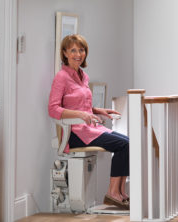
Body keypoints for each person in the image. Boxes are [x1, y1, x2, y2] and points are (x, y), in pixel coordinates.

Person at [48, 34, 130, 210]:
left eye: (82, 49)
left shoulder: (83, 76)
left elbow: (82, 105)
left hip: (90, 128)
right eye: (73, 50)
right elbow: (53, 109)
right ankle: (112, 193)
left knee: (129, 143)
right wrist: (79, 114)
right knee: (123, 145)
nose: (78, 54)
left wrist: (99, 110)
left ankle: (120, 192)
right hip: (75, 133)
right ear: (65, 53)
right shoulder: (61, 76)